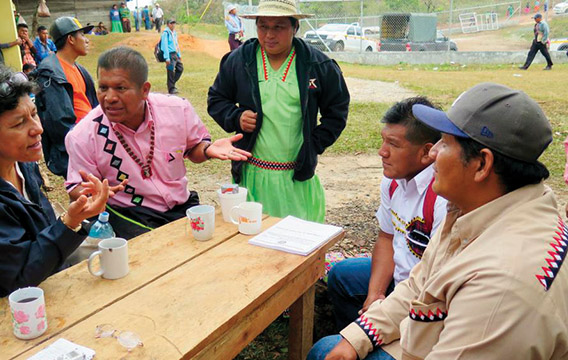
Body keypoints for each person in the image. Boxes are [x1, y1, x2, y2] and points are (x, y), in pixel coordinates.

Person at [308, 82, 568, 360]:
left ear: (482, 164)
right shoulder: (479, 210)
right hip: (439, 324)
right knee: (335, 344)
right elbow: (422, 282)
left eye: (445, 143)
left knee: (323, 349)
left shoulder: (502, 286)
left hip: (442, 336)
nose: (432, 154)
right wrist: (357, 338)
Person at [0, 60, 112, 329]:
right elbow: (21, 276)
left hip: (20, 292)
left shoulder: (17, 157)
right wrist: (69, 223)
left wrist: (75, 212)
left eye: (34, 113)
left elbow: (39, 231)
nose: (37, 128)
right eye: (18, 123)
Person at [64, 46, 251, 239]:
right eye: (103, 88)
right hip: (131, 216)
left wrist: (207, 150)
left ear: (145, 90)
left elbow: (194, 149)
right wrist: (91, 193)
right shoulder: (83, 135)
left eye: (120, 88)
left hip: (182, 206)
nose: (109, 98)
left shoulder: (177, 109)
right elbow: (76, 188)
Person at [207, 0, 350, 223]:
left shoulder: (317, 65)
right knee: (254, 240)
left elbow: (337, 111)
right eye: (263, 26)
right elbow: (216, 99)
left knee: (298, 241)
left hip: (296, 177)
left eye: (279, 27)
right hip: (252, 175)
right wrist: (235, 117)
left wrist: (313, 145)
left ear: (295, 28)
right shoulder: (239, 61)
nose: (269, 35)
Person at [328, 97, 447, 332]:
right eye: (383, 141)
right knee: (342, 275)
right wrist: (375, 295)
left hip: (425, 296)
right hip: (400, 278)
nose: (382, 152)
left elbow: (435, 283)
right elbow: (386, 238)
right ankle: (353, 334)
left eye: (393, 144)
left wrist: (384, 315)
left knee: (323, 351)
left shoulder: (441, 197)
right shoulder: (392, 183)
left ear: (427, 152)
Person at [32, 17, 98, 178]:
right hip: (76, 149)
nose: (87, 40)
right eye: (82, 35)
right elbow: (59, 122)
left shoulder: (79, 68)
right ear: (71, 39)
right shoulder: (51, 72)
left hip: (92, 140)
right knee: (85, 196)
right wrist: (85, 145)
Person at [161, 19, 183, 95]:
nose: (173, 25)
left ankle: (171, 83)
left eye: (174, 23)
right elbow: (164, 46)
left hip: (175, 54)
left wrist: (179, 54)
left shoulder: (174, 33)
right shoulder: (165, 33)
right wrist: (167, 58)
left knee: (180, 68)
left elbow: (176, 44)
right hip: (170, 54)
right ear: (168, 24)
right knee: (170, 71)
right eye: (171, 23)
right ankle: (171, 89)